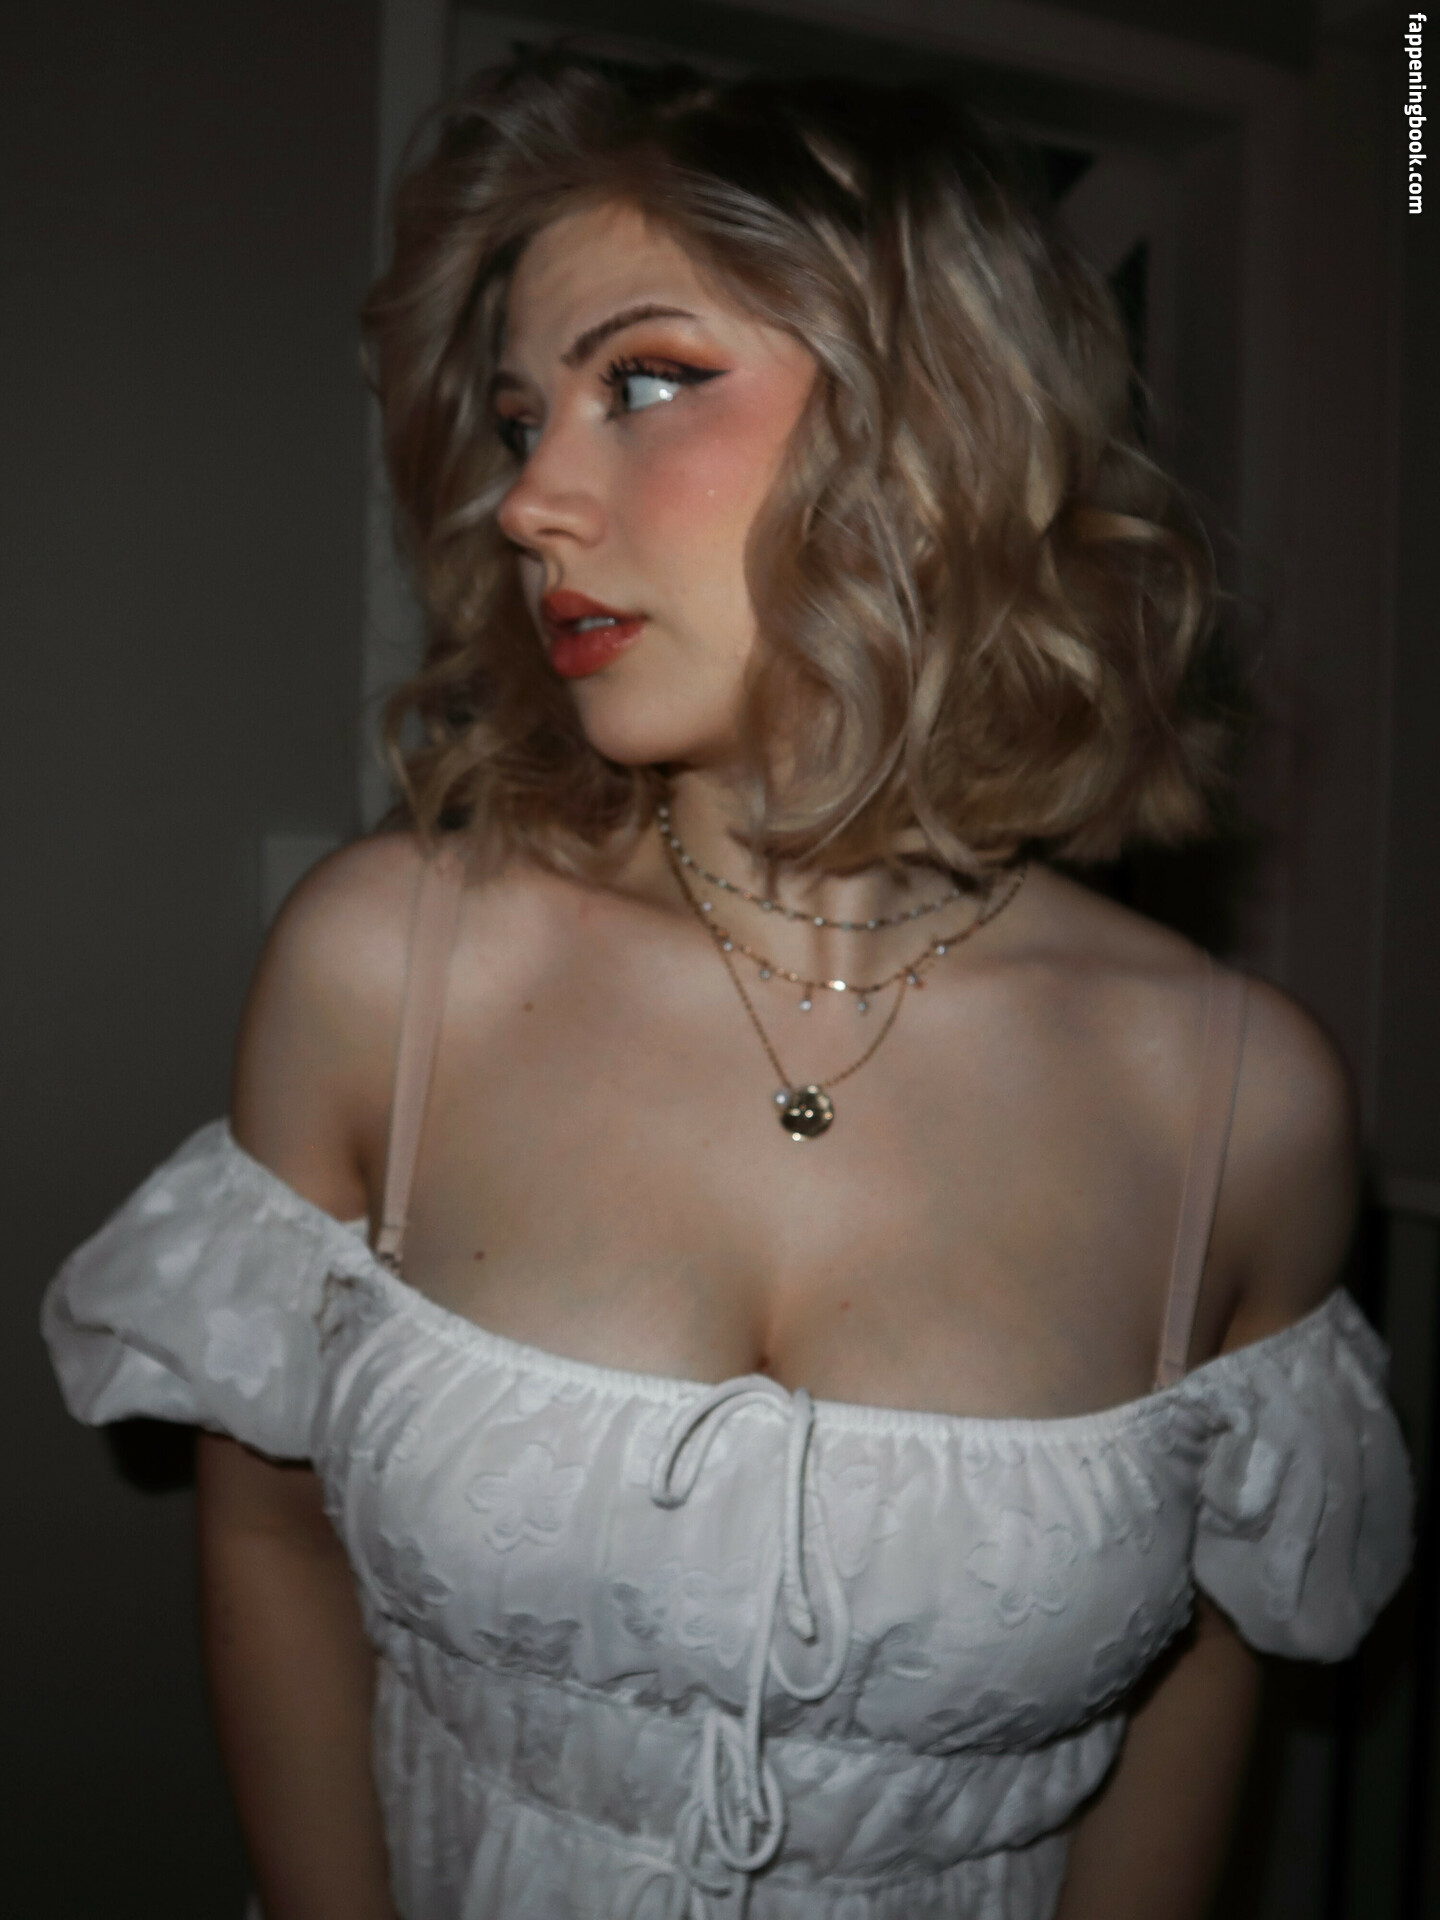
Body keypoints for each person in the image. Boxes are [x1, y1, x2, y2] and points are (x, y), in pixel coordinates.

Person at [43, 54, 1411, 1920]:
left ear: (938, 420)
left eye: (643, 382)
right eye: (520, 419)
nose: (530, 500)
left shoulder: (1242, 1105)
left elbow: (1204, 1673)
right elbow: (270, 1541)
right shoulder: (386, 971)